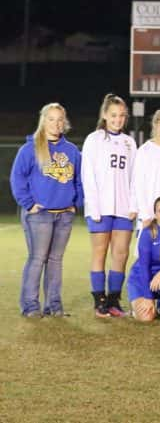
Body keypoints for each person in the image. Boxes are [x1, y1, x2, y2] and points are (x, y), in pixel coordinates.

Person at [10, 102, 82, 318]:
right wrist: (29, 204)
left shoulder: (71, 151)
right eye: (51, 119)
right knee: (37, 259)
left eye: (60, 119)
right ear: (44, 121)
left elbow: (79, 180)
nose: (56, 123)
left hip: (64, 215)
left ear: (65, 122)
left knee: (55, 261)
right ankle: (31, 306)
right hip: (39, 215)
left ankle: (54, 305)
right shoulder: (30, 148)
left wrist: (75, 203)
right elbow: (17, 178)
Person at [81, 94, 137, 317]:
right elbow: (88, 175)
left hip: (123, 207)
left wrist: (134, 204)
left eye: (122, 115)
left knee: (121, 254)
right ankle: (99, 301)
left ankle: (114, 299)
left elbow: (134, 177)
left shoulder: (130, 142)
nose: (118, 119)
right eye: (113, 115)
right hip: (100, 207)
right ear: (105, 115)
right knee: (100, 252)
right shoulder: (94, 140)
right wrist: (93, 206)